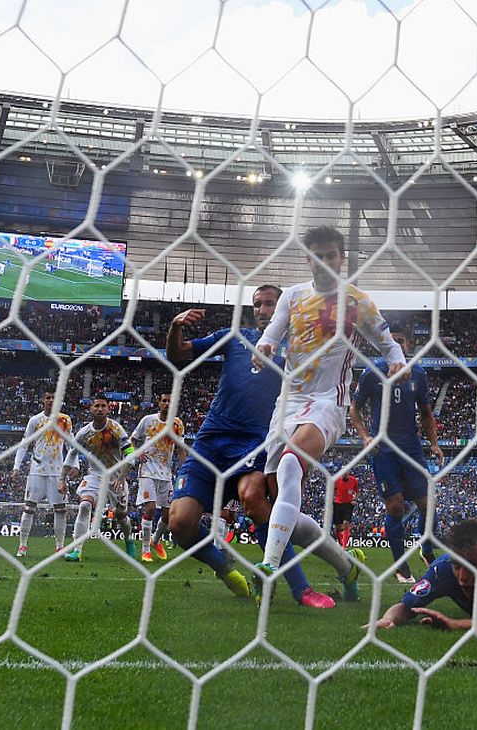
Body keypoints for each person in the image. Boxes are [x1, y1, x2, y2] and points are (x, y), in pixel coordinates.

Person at [167, 286, 345, 607]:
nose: (262, 309)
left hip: (254, 442)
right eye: (258, 304)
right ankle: (222, 565)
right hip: (210, 441)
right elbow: (179, 355)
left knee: (253, 498)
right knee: (179, 522)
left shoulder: (299, 351)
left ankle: (300, 588)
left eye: (270, 304)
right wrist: (175, 327)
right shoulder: (235, 337)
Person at [253, 225, 405, 583]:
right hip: (288, 403)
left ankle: (269, 565)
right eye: (317, 256)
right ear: (307, 259)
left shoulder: (357, 301)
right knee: (283, 506)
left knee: (291, 462)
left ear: (342, 259)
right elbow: (271, 332)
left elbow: (387, 342)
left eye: (331, 255)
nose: (324, 262)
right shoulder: (291, 296)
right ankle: (346, 567)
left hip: (328, 402)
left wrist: (397, 360)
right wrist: (265, 347)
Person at [350, 323, 442, 583]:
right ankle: (402, 567)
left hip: (411, 447)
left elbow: (425, 413)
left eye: (402, 341)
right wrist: (365, 436)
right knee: (396, 506)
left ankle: (425, 550)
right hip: (384, 447)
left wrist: (434, 443)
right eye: (393, 341)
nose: (399, 346)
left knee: (428, 504)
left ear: (409, 345)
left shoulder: (419, 375)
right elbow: (354, 410)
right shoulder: (372, 374)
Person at [60, 395, 136, 562]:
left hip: (116, 476)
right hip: (94, 475)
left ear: (109, 409)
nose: (100, 409)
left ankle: (129, 540)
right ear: (91, 409)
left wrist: (122, 477)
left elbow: (130, 454)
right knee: (85, 505)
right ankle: (76, 550)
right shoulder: (84, 433)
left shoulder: (116, 429)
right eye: (97, 406)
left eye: (103, 406)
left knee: (121, 515)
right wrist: (62, 478)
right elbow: (71, 454)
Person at [13, 391, 72, 557]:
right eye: (48, 397)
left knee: (60, 510)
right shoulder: (35, 420)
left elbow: (71, 444)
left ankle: (60, 547)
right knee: (29, 508)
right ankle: (23, 546)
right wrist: (16, 466)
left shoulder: (65, 420)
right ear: (43, 400)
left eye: (54, 397)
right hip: (36, 472)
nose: (51, 400)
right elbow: (24, 445)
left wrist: (74, 465)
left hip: (57, 472)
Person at [130, 393, 185, 562]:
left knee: (168, 516)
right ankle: (145, 550)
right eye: (164, 401)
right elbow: (133, 439)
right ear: (159, 403)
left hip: (166, 474)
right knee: (151, 509)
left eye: (170, 401)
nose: (167, 404)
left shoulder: (177, 424)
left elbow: (181, 449)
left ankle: (155, 541)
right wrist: (136, 454)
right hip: (147, 471)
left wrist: (183, 471)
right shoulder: (148, 420)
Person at [333, 472, 359, 548]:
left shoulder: (354, 480)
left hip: (348, 504)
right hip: (337, 504)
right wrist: (335, 498)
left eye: (346, 473)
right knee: (337, 527)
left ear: (348, 473)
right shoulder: (336, 480)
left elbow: (357, 492)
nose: (345, 474)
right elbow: (333, 490)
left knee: (346, 524)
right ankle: (341, 543)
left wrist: (354, 499)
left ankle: (344, 547)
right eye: (343, 473)